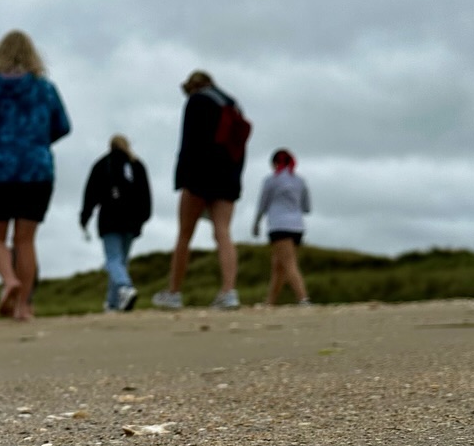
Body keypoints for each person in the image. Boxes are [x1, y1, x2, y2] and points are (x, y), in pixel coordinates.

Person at [0, 29, 71, 321]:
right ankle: (23, 307)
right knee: (26, 241)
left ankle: (8, 279)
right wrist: (39, 143)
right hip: (38, 170)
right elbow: (64, 125)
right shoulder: (45, 88)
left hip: (1, 169)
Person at [152, 70, 250, 311]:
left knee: (185, 234)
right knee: (223, 232)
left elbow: (189, 142)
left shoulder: (197, 102)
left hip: (199, 176)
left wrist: (182, 179)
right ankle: (229, 292)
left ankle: (174, 293)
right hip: (228, 176)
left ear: (192, 87)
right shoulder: (232, 104)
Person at [79, 134, 152, 312]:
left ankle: (125, 287)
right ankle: (113, 303)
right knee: (121, 261)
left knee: (113, 260)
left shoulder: (102, 164)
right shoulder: (137, 165)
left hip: (110, 220)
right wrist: (143, 218)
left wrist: (85, 217)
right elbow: (146, 195)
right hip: (132, 221)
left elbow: (91, 194)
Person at [252, 148, 312, 306]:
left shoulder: (271, 180)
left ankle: (303, 298)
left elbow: (262, 205)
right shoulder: (300, 180)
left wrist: (256, 223)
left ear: (274, 163)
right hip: (297, 226)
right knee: (278, 266)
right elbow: (306, 207)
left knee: (289, 264)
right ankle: (270, 301)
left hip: (279, 225)